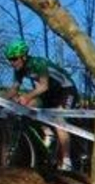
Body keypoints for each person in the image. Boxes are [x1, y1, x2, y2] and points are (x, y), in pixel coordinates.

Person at [4, 40, 79, 172]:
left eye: (14, 59)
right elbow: (14, 90)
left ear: (23, 56)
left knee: (59, 121)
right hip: (50, 93)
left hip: (66, 90)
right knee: (29, 108)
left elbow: (44, 86)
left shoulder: (39, 63)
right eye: (9, 59)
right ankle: (48, 133)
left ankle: (67, 161)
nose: (12, 62)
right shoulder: (19, 70)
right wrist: (1, 101)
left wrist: (26, 96)